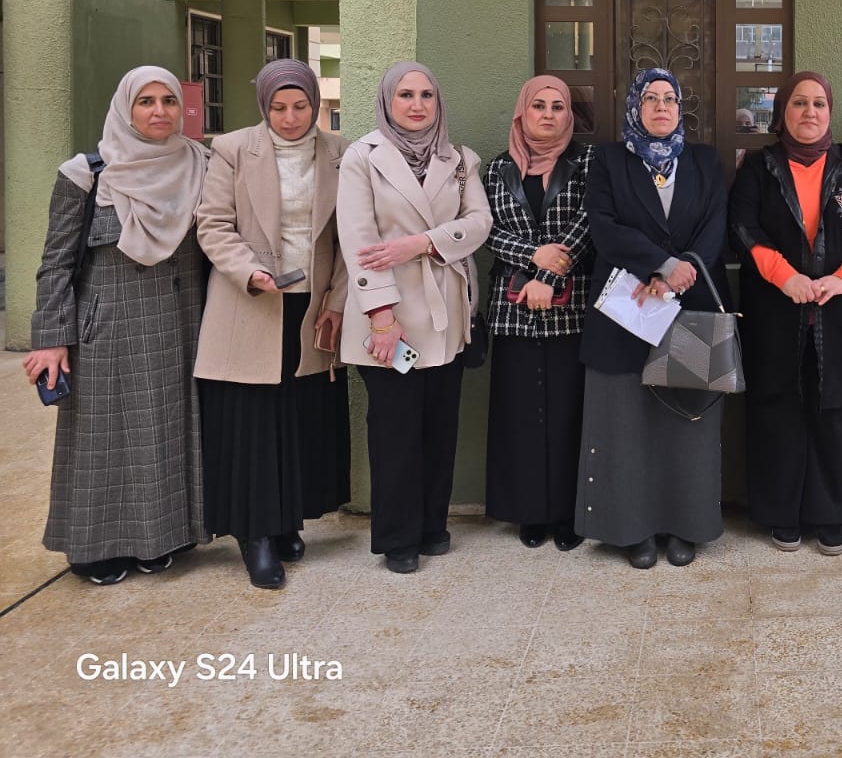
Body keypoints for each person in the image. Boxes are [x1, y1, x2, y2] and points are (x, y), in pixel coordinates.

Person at [24, 66, 209, 585]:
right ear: (125, 109)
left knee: (168, 433)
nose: (158, 112)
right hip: (107, 328)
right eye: (145, 102)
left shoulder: (200, 164)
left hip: (181, 324)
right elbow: (56, 262)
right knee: (101, 439)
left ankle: (164, 537)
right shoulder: (85, 175)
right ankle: (96, 547)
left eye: (168, 100)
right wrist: (52, 338)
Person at [195, 59, 351, 590]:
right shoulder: (233, 149)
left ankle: (287, 520)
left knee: (299, 417)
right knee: (254, 422)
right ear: (264, 106)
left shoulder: (339, 151)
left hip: (312, 302)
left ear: (314, 104)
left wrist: (337, 298)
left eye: (300, 106)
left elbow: (350, 234)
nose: (290, 117)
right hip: (251, 301)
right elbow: (213, 224)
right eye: (279, 107)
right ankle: (255, 534)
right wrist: (250, 271)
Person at [337, 61, 491, 574]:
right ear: (388, 101)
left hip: (447, 313)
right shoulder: (362, 157)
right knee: (395, 430)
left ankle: (431, 525)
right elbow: (358, 241)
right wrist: (382, 319)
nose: (417, 104)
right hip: (389, 316)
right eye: (405, 94)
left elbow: (479, 223)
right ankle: (398, 537)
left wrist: (423, 242)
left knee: (439, 425)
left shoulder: (459, 158)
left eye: (427, 94)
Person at [730, 71, 842, 555]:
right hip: (777, 313)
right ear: (783, 111)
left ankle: (831, 513)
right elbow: (743, 226)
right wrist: (786, 277)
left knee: (838, 415)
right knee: (780, 414)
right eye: (799, 103)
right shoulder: (758, 167)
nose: (810, 112)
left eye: (819, 103)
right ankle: (782, 513)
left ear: (829, 111)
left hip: (841, 313)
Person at [577, 67, 731, 569]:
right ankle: (633, 531)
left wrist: (680, 273)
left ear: (681, 108)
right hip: (627, 311)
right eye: (651, 99)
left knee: (686, 425)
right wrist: (660, 266)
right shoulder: (608, 160)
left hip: (690, 309)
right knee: (626, 426)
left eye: (670, 99)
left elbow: (715, 224)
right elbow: (604, 226)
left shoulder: (704, 161)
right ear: (635, 108)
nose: (661, 107)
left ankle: (686, 526)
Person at [484, 75, 594, 552]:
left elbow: (587, 225)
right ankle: (530, 512)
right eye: (538, 106)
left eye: (557, 107)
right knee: (520, 414)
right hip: (514, 308)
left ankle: (569, 513)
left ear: (569, 114)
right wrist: (533, 257)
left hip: (572, 306)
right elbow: (486, 231)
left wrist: (549, 276)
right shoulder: (497, 169)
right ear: (522, 112)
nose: (548, 114)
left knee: (570, 412)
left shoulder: (587, 163)